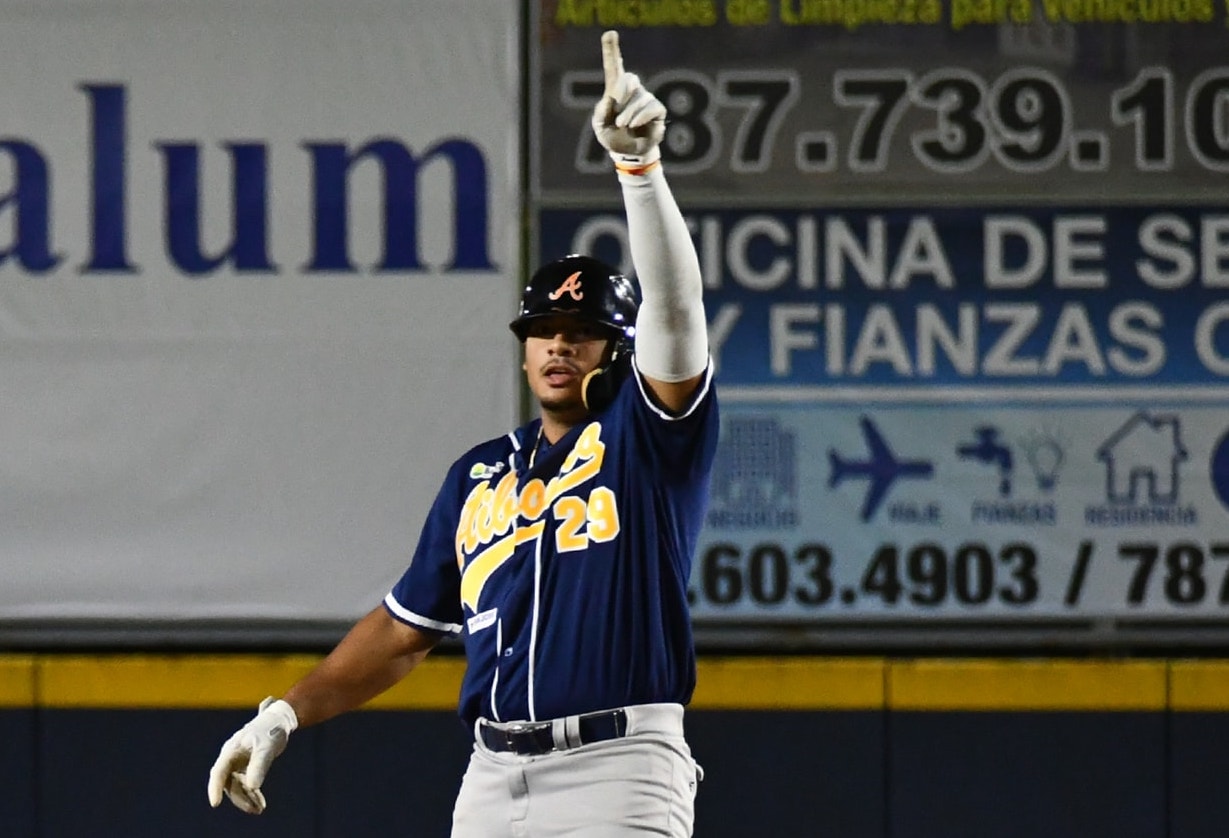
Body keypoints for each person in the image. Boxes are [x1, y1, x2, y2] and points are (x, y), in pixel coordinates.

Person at [207, 29, 717, 837]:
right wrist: (285, 713)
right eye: (543, 327)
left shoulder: (648, 444)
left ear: (618, 352)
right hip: (490, 774)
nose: (558, 344)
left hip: (618, 769)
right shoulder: (481, 474)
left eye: (581, 330)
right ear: (521, 348)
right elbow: (406, 628)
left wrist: (640, 173)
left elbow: (679, 313)